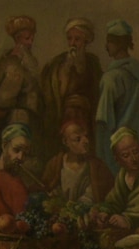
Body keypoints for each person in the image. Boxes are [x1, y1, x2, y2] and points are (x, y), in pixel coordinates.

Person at [0, 15, 41, 161]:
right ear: (17, 39)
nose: (30, 42)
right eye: (26, 38)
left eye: (31, 38)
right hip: (16, 119)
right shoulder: (14, 65)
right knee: (17, 160)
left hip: (19, 117)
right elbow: (5, 99)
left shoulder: (23, 59)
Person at [38, 17, 102, 168]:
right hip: (65, 114)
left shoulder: (92, 62)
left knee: (86, 151)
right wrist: (66, 69)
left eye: (77, 39)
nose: (73, 43)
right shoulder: (59, 63)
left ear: (86, 40)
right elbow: (55, 92)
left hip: (86, 115)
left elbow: (97, 90)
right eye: (70, 38)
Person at [92, 21, 139, 167]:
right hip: (135, 141)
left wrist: (100, 155)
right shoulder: (138, 75)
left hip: (115, 147)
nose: (106, 46)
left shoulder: (110, 78)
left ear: (119, 44)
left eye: (110, 42)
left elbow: (103, 121)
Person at [43, 118, 112, 208]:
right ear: (65, 142)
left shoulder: (97, 166)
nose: (85, 141)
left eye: (86, 136)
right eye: (78, 139)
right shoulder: (55, 164)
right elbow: (45, 189)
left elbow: (105, 195)